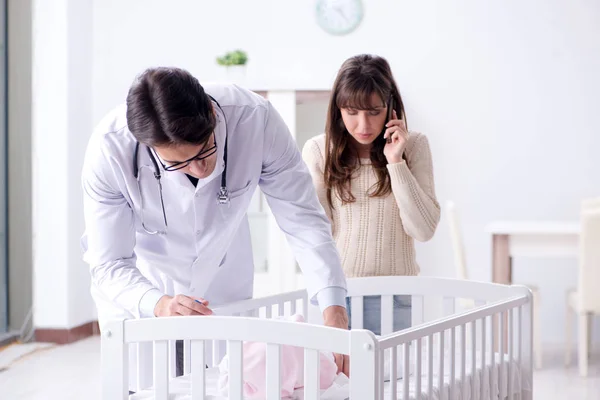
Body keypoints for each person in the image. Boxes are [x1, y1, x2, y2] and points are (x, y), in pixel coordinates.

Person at [81, 67, 350, 387]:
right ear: (148, 146)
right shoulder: (110, 150)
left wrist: (334, 306)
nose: (199, 169)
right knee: (143, 387)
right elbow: (109, 261)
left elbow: (302, 218)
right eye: (178, 164)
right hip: (143, 284)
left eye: (205, 150)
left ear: (211, 113)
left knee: (229, 383)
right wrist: (158, 303)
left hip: (220, 277)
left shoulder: (254, 120)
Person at [302, 54, 440, 335]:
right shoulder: (319, 151)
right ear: (338, 110)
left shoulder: (414, 146)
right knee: (338, 378)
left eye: (373, 112)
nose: (363, 126)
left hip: (396, 296)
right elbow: (314, 235)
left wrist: (396, 163)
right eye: (351, 112)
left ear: (390, 107)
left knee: (395, 378)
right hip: (337, 298)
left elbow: (424, 230)